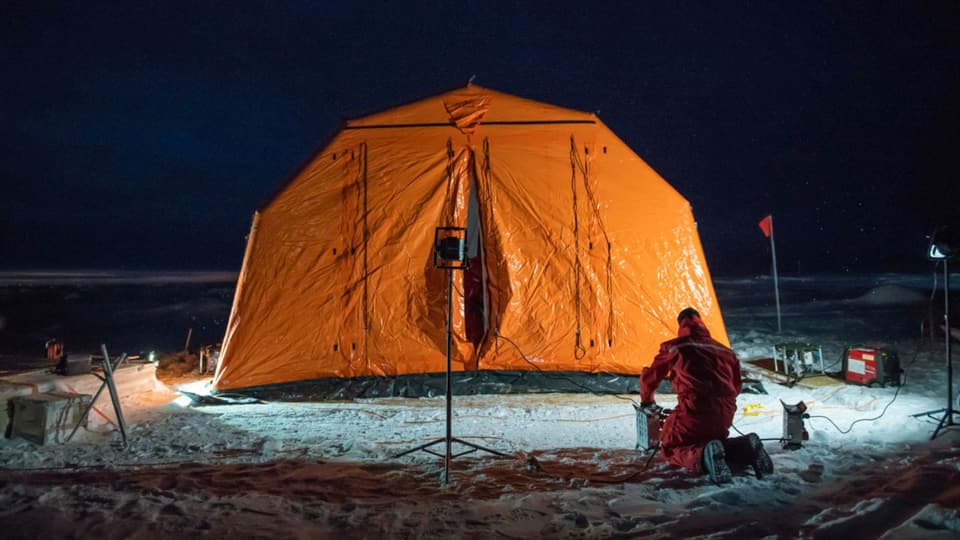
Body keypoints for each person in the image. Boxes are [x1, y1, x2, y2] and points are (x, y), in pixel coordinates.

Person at [639, 307, 773, 484]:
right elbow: (736, 385)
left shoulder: (674, 347)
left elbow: (650, 378)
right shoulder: (726, 351)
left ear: (681, 325)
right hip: (725, 411)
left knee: (671, 447)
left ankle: (702, 458)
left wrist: (647, 402)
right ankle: (746, 447)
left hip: (694, 408)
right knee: (712, 440)